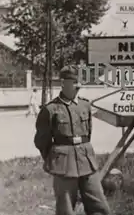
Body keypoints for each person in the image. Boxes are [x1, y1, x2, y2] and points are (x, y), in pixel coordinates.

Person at [34, 65, 111, 215]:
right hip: (63, 164)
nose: (78, 86)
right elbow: (41, 140)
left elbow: (88, 135)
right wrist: (56, 157)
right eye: (74, 82)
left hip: (86, 161)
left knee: (100, 206)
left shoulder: (84, 105)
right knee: (66, 208)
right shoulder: (50, 109)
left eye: (80, 82)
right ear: (63, 83)